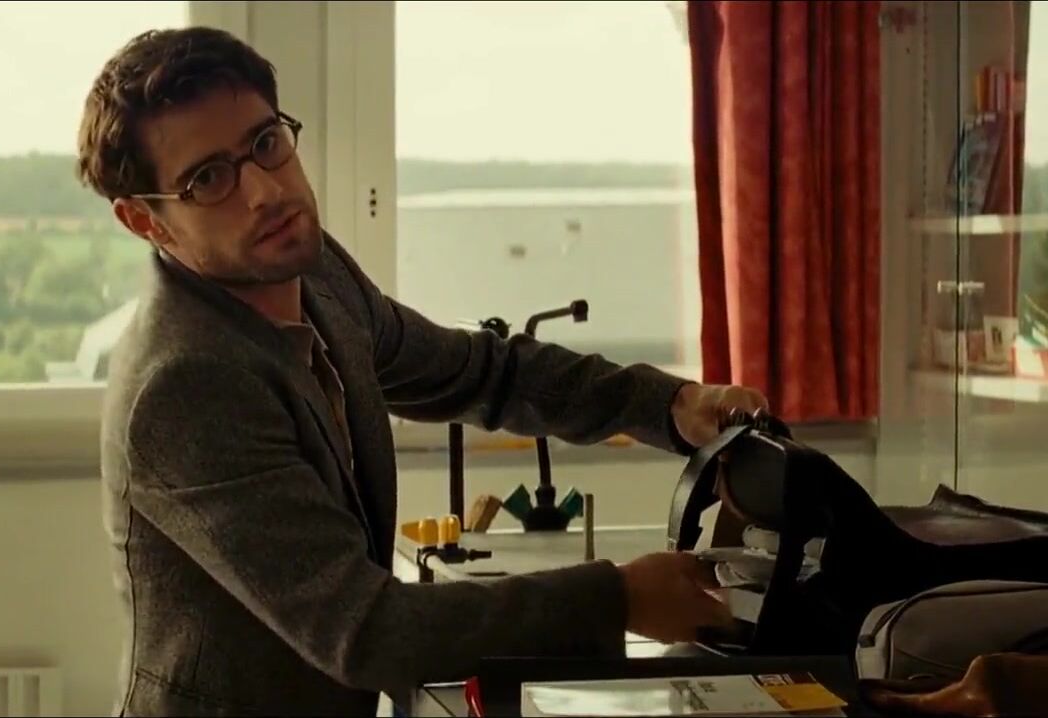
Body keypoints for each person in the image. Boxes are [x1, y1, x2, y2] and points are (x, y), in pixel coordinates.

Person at [79, 26, 771, 717]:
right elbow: (365, 630)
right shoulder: (185, 384)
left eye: (264, 143)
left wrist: (670, 405)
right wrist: (617, 598)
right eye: (207, 179)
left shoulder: (310, 268)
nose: (264, 191)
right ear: (145, 221)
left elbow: (481, 373)